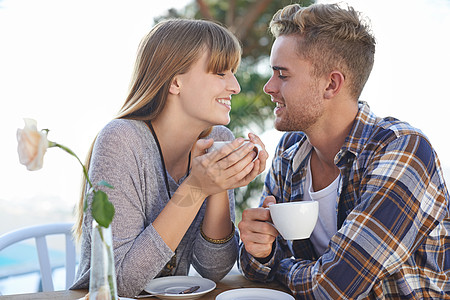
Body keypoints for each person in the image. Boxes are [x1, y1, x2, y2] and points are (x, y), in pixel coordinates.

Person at [238, 3, 449, 299]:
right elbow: (257, 265)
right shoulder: (290, 153)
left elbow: (332, 288)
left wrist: (279, 267)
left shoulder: (403, 150)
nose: (269, 87)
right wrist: (259, 251)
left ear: (331, 84)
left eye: (282, 75)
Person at [70, 19, 268, 297]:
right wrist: (197, 187)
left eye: (233, 73)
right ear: (175, 81)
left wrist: (220, 184)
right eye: (221, 73)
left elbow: (215, 268)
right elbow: (119, 285)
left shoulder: (217, 139)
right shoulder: (121, 141)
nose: (235, 86)